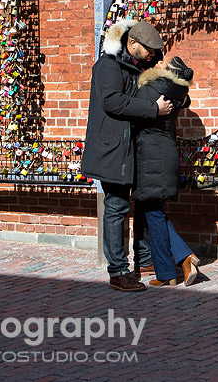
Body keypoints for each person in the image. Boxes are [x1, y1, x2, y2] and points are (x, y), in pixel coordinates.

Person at [80, 19, 173, 292]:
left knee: (143, 203)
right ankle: (118, 271)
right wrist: (153, 109)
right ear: (132, 44)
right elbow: (113, 102)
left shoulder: (139, 67)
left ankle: (144, 260)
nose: (154, 55)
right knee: (116, 207)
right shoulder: (108, 66)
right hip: (112, 150)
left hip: (136, 149)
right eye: (149, 50)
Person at [132, 54, 201, 287]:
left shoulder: (151, 89)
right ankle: (171, 269)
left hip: (151, 156)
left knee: (154, 212)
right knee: (155, 211)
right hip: (167, 152)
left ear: (169, 72)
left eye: (164, 63)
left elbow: (131, 113)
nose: (158, 63)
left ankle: (177, 264)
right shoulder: (179, 93)